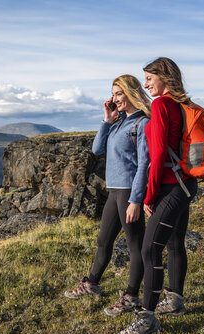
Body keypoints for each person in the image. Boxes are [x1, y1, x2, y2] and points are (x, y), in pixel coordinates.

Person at [117, 57, 198, 334]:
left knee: (150, 250)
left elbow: (158, 154)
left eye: (150, 78)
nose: (147, 84)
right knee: (175, 244)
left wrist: (148, 196)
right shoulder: (178, 105)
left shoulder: (163, 105)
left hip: (169, 187)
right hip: (185, 183)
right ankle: (175, 300)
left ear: (165, 77)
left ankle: (147, 318)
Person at [64, 74, 151, 317]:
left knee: (135, 245)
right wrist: (107, 120)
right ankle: (91, 284)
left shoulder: (141, 124)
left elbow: (144, 164)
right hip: (114, 190)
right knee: (104, 240)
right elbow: (97, 149)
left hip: (127, 191)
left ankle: (132, 296)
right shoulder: (119, 123)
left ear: (131, 92)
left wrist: (136, 200)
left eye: (119, 93)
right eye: (113, 94)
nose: (115, 98)